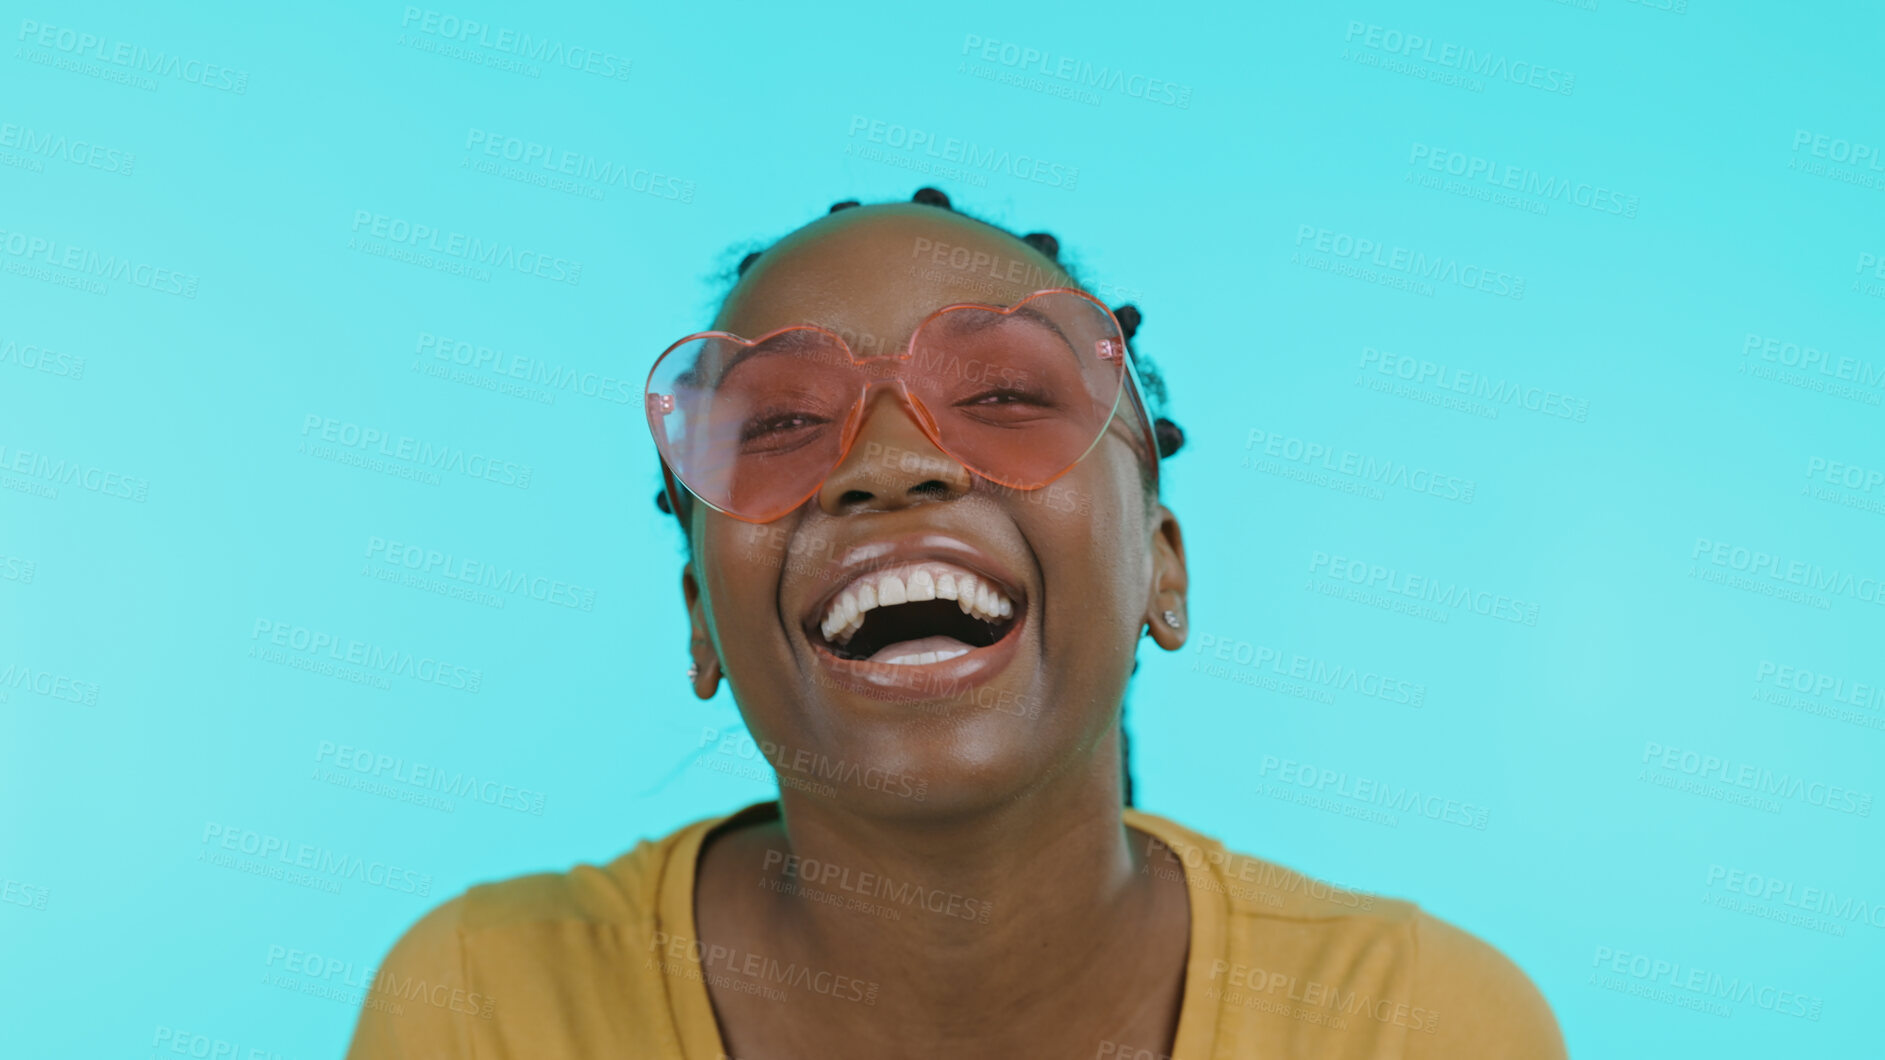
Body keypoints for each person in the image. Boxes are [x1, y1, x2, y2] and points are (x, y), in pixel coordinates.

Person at [345, 187, 1566, 1059]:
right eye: (781, 423)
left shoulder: (1423, 1023)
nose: (885, 464)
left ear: (1162, 567)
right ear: (700, 621)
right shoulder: (483, 1006)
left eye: (1003, 394)